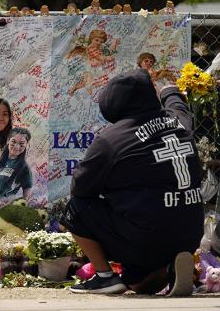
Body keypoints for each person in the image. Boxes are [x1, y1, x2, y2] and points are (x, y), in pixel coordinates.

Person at [61, 69, 203, 296]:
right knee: (136, 284)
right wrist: (169, 90)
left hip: (147, 236)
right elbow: (177, 104)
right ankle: (170, 266)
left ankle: (105, 277)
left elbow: (80, 188)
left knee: (75, 209)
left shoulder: (111, 139)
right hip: (190, 233)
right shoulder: (180, 122)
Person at [67, 29, 119, 97]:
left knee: (86, 83)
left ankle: (74, 89)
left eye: (101, 41)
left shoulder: (98, 47)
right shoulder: (91, 48)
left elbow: (109, 52)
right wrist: (107, 58)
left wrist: (114, 44)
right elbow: (100, 57)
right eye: (97, 40)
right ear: (91, 39)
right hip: (92, 69)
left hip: (96, 68)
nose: (98, 43)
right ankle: (90, 95)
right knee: (89, 84)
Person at [0, 127, 34, 200]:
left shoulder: (24, 168)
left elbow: (27, 195)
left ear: (26, 145)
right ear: (8, 141)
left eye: (21, 144)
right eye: (14, 141)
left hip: (2, 206)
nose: (17, 146)